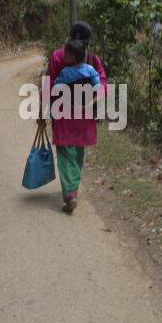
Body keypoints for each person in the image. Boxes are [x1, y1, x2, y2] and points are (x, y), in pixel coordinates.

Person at [38, 21, 108, 214]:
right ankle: (71, 190)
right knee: (77, 152)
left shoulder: (58, 55)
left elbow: (48, 84)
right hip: (84, 114)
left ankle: (70, 192)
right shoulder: (92, 60)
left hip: (63, 111)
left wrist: (42, 112)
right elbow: (103, 85)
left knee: (65, 152)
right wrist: (94, 102)